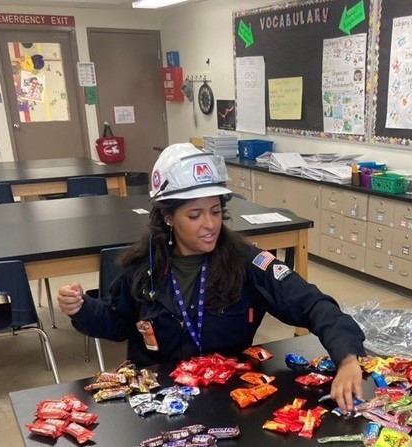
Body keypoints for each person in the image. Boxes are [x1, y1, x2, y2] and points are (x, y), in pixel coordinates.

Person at [57, 143, 366, 412]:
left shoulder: (246, 261)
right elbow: (115, 321)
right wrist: (81, 308)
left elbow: (312, 304)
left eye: (215, 211)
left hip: (230, 397)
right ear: (168, 217)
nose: (209, 224)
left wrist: (347, 358)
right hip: (157, 399)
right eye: (194, 215)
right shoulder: (142, 267)